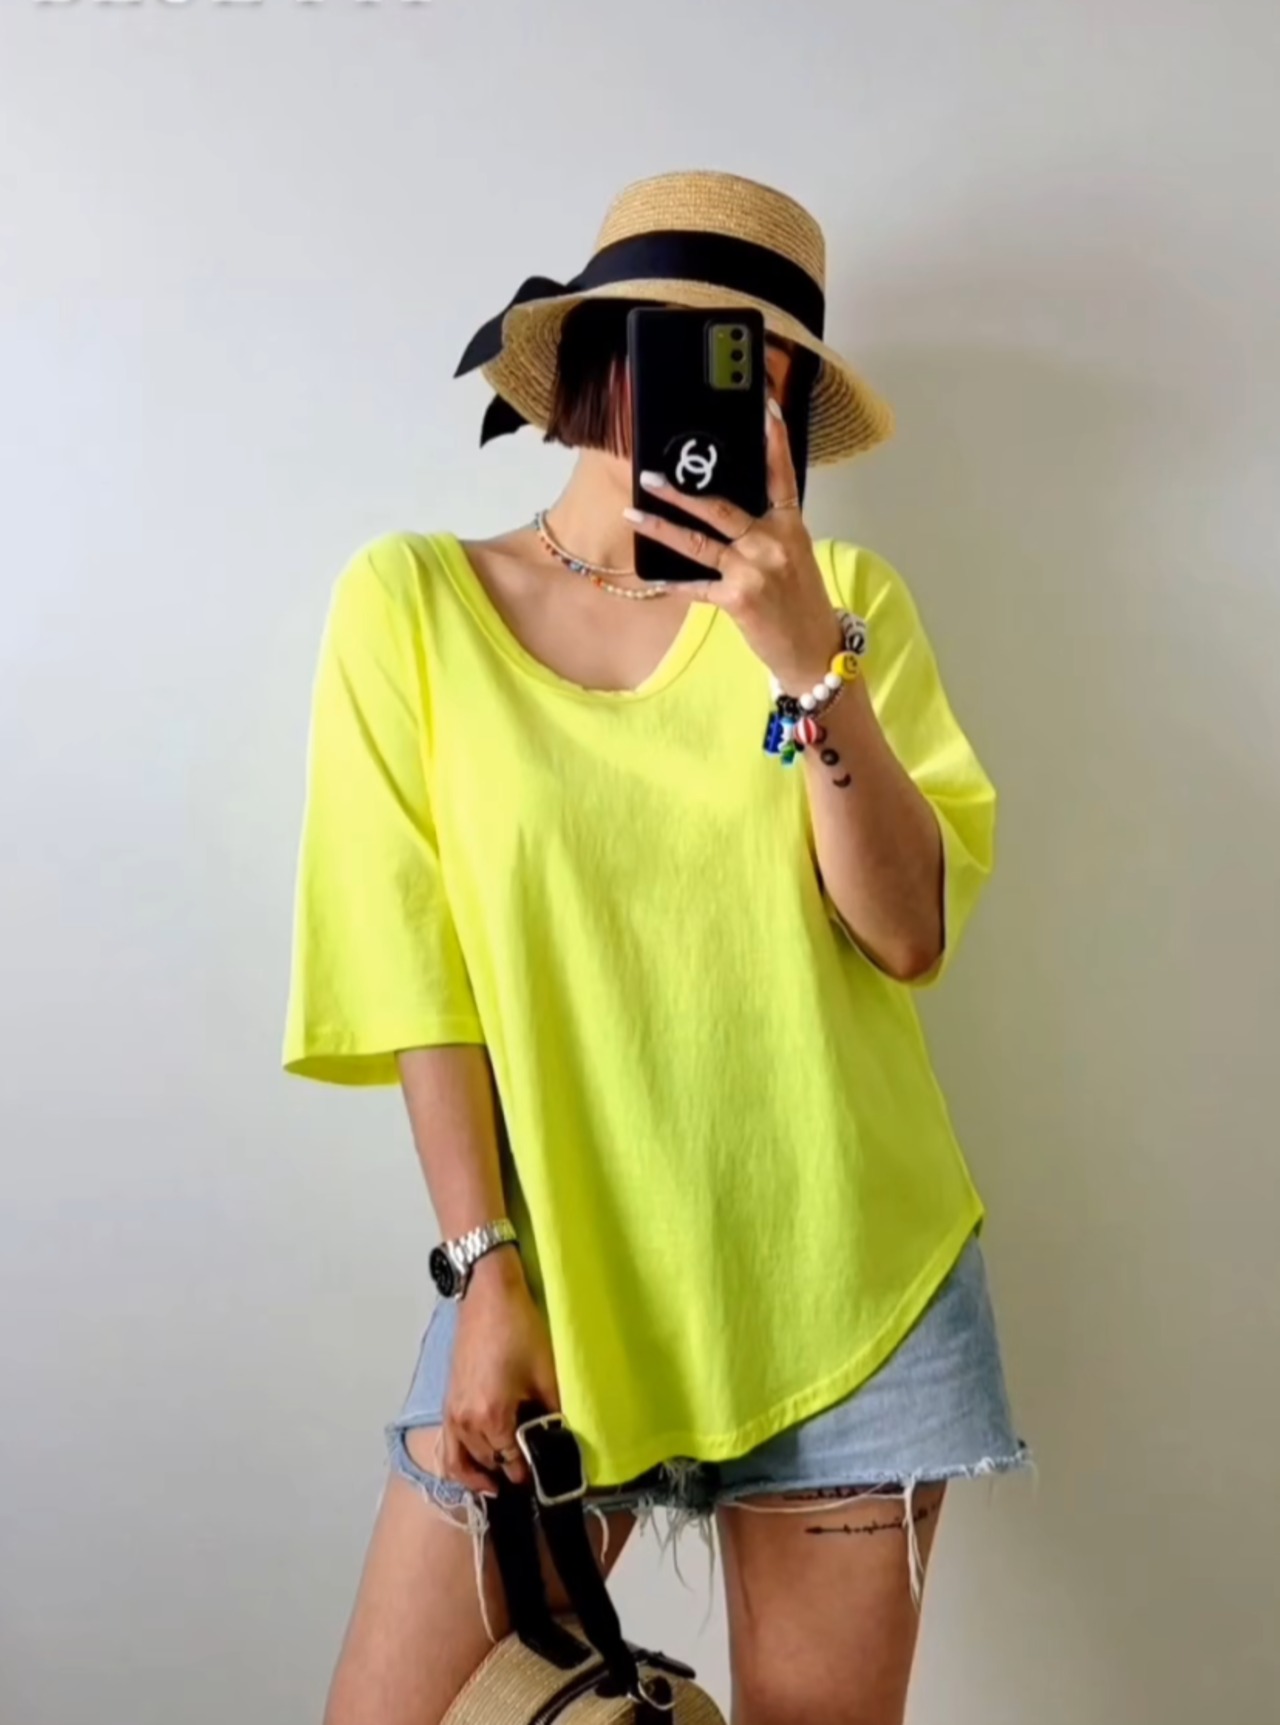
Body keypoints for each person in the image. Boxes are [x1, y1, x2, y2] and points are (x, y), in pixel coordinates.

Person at [284, 170, 1028, 1725]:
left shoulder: (849, 607)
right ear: (591, 360)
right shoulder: (412, 607)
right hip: (557, 1282)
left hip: (850, 1279)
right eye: (687, 348)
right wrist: (484, 1267)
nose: (721, 393)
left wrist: (804, 663)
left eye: (763, 367)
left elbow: (906, 931)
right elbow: (416, 972)